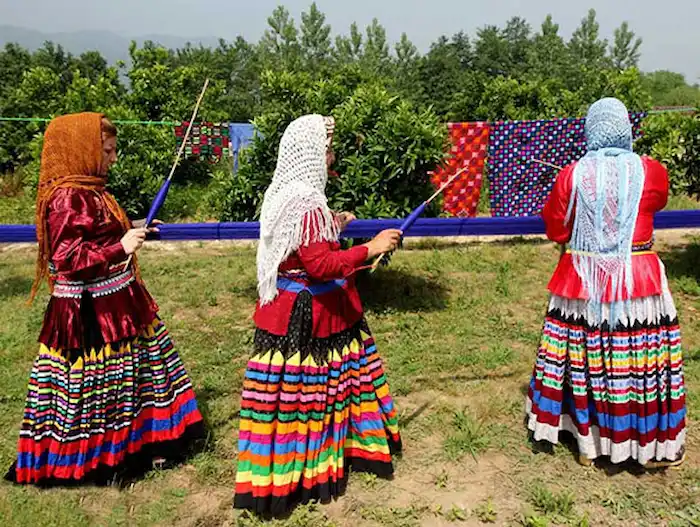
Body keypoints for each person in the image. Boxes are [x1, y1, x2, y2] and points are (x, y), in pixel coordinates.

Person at [5, 112, 204, 485]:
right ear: (84, 150)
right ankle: (94, 459)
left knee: (133, 380)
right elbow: (67, 259)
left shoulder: (91, 190)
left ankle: (139, 443)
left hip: (117, 302)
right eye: (108, 150)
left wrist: (136, 229)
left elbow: (98, 236)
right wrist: (120, 247)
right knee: (93, 392)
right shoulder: (67, 197)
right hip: (89, 314)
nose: (113, 159)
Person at [233, 114, 403, 515]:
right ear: (310, 153)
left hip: (285, 308)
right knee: (315, 393)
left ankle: (287, 464)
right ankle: (313, 467)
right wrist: (370, 248)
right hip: (311, 316)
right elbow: (319, 265)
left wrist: (335, 222)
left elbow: (299, 243)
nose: (331, 157)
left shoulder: (284, 193)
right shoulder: (308, 203)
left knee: (293, 398)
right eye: (327, 149)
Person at [527, 98, 686, 468]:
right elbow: (656, 204)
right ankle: (644, 444)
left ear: (591, 129)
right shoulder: (652, 172)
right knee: (636, 363)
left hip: (582, 281)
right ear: (625, 128)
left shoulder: (572, 174)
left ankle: (588, 444)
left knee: (585, 360)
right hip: (638, 278)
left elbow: (556, 228)